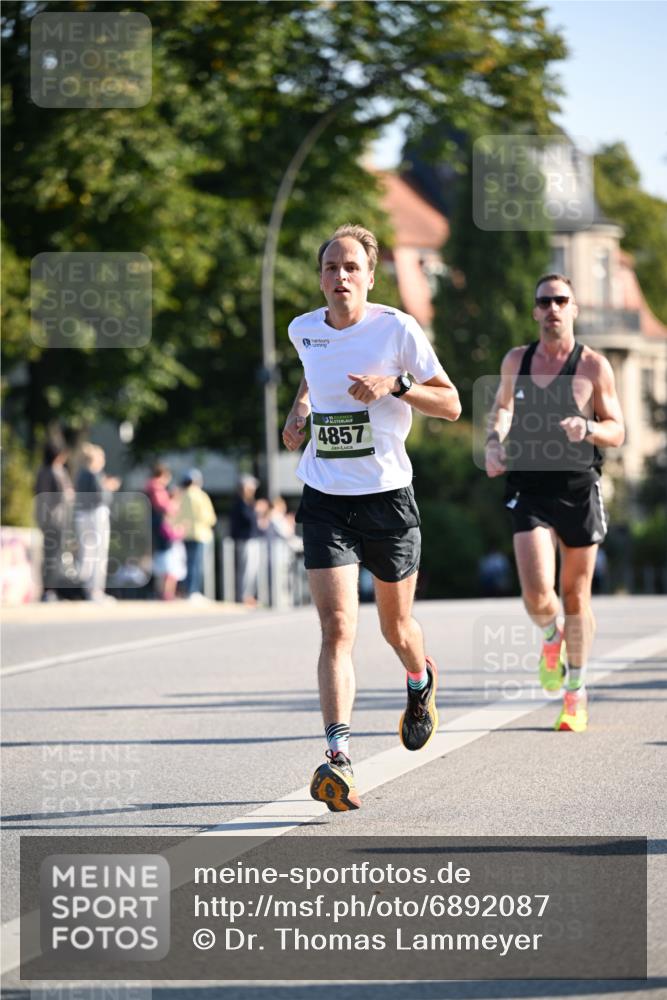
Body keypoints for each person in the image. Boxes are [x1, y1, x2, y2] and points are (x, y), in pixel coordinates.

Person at [282, 223, 461, 811]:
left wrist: (398, 385)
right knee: (337, 628)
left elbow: (453, 403)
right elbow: (316, 371)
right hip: (325, 495)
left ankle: (419, 680)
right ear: (321, 277)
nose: (340, 277)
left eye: (351, 267)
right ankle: (338, 758)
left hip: (387, 497)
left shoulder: (397, 329)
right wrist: (301, 410)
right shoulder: (304, 330)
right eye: (331, 267)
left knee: (395, 629)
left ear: (370, 275)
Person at [485, 273, 624, 732]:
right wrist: (493, 441)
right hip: (530, 486)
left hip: (579, 488)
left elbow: (617, 429)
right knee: (536, 591)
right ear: (535, 311)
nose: (552, 308)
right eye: (544, 301)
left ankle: (575, 691)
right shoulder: (516, 360)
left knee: (574, 595)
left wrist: (588, 429)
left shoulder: (593, 366)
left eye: (561, 300)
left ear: (574, 308)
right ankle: (551, 638)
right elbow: (503, 407)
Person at [74, 443, 120, 602]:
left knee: (87, 553)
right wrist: (109, 487)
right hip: (95, 515)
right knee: (98, 554)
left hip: (82, 515)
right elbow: (101, 497)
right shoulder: (94, 474)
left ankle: (87, 589)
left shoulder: (81, 474)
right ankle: (95, 591)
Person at [34, 438, 75, 601]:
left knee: (50, 554)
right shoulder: (55, 471)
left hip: (45, 519)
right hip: (56, 519)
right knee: (54, 555)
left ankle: (49, 590)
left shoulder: (41, 471)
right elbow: (63, 496)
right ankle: (50, 590)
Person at [175, 468, 217, 601]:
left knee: (187, 564)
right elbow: (209, 517)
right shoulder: (200, 495)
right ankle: (193, 591)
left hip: (184, 533)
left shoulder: (180, 495)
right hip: (200, 534)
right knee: (196, 564)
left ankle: (185, 591)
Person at [145, 462, 185, 600]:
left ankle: (163, 592)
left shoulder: (151, 487)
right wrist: (173, 506)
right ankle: (165, 593)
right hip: (161, 530)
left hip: (157, 527)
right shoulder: (156, 487)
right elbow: (164, 506)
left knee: (162, 560)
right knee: (166, 561)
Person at [229, 474, 261, 605]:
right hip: (245, 540)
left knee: (252, 570)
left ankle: (248, 595)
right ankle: (243, 596)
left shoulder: (249, 503)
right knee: (246, 570)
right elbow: (248, 520)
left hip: (252, 539)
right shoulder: (240, 503)